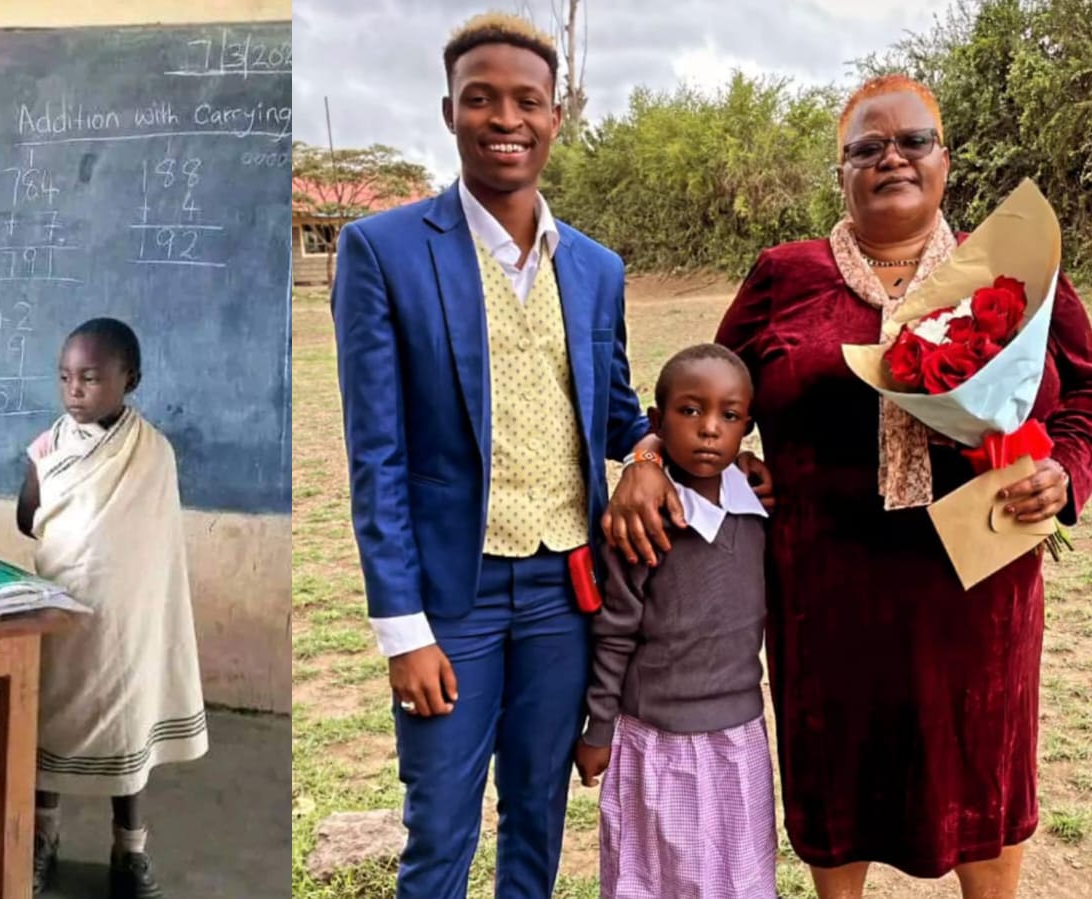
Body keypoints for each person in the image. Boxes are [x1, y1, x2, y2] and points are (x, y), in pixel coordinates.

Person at [331, 13, 771, 898]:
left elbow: (614, 408)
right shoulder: (381, 251)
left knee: (535, 810)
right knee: (441, 821)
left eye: (526, 100)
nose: (505, 119)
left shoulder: (595, 267)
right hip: (450, 599)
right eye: (480, 99)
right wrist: (402, 630)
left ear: (555, 114)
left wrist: (649, 449)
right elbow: (375, 455)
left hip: (565, 590)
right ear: (449, 111)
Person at [709, 74, 1092, 898]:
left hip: (977, 595)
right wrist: (729, 460)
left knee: (983, 788)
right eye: (866, 146)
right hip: (825, 599)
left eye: (913, 141)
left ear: (945, 160)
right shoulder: (784, 275)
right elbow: (711, 396)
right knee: (837, 782)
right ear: (841, 172)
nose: (892, 157)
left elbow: (1088, 393)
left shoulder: (1018, 270)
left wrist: (1068, 471)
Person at [14, 318, 208, 899]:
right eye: (66, 377)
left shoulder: (152, 454)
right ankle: (43, 838)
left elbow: (156, 543)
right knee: (48, 719)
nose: (75, 390)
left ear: (130, 380)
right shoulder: (47, 448)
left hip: (128, 620)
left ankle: (130, 848)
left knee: (128, 729)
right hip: (63, 608)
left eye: (92, 378)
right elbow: (29, 519)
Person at [575, 344, 773, 898]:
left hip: (738, 742)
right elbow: (614, 632)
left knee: (738, 875)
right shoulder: (642, 523)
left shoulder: (761, 514)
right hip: (653, 742)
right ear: (657, 424)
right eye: (690, 412)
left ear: (747, 428)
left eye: (728, 416)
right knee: (653, 875)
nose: (709, 429)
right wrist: (599, 728)